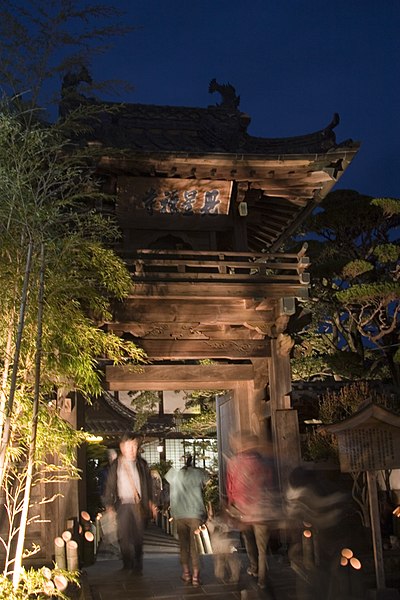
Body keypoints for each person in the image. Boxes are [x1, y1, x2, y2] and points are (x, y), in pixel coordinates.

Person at [226, 432, 277, 590]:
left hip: (243, 511)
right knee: (262, 547)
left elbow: (231, 488)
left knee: (249, 541)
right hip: (263, 510)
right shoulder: (265, 462)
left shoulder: (233, 462)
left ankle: (254, 568)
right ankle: (262, 579)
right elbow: (270, 484)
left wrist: (231, 504)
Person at [103, 432, 157, 574]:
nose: (132, 450)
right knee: (124, 535)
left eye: (134, 446)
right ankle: (127, 563)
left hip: (138, 504)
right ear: (122, 447)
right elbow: (110, 484)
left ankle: (138, 564)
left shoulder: (142, 464)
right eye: (129, 446)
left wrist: (151, 502)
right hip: (122, 504)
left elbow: (148, 485)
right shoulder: (117, 464)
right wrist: (109, 504)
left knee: (138, 535)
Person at [165, 455, 209, 587]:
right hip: (195, 513)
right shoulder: (198, 473)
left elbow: (167, 479)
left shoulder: (174, 474)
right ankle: (196, 576)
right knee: (194, 546)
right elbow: (208, 480)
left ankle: (186, 573)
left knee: (183, 545)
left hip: (179, 514)